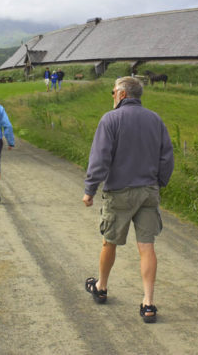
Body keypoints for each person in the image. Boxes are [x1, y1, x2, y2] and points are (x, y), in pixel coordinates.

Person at [82, 76, 174, 323]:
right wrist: (159, 182)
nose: (112, 96)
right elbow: (167, 157)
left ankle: (101, 287)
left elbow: (100, 158)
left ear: (122, 94)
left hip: (119, 191)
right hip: (148, 191)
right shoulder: (155, 119)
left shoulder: (110, 119)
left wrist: (89, 189)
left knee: (109, 242)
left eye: (113, 92)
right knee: (147, 246)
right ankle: (148, 303)